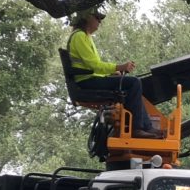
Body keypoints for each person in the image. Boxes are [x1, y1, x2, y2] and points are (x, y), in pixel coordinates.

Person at [67, 8, 163, 138]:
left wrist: (112, 74)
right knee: (134, 82)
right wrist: (119, 66)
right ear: (87, 18)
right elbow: (94, 66)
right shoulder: (80, 36)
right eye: (97, 18)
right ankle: (137, 129)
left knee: (132, 86)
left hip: (89, 79)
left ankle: (146, 127)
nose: (99, 22)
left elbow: (91, 67)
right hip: (86, 82)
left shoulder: (85, 36)